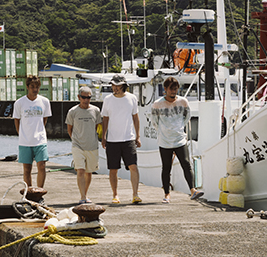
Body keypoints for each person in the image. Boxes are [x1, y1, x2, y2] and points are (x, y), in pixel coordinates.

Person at [151, 76, 203, 203]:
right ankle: (167, 194)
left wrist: (179, 128)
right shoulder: (157, 104)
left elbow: (187, 117)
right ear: (165, 89)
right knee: (166, 167)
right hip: (165, 141)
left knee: (186, 164)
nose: (174, 92)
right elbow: (154, 122)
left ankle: (192, 190)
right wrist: (165, 131)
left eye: (175, 89)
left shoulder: (183, 102)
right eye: (171, 89)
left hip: (180, 139)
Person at [100, 74, 141, 204]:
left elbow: (135, 117)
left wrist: (138, 136)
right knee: (113, 169)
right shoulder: (107, 99)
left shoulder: (132, 98)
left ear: (123, 85)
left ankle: (135, 194)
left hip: (128, 138)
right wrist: (104, 136)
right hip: (112, 139)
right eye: (113, 85)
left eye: (117, 85)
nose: (115, 88)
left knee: (133, 166)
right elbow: (105, 118)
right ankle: (115, 194)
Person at [12, 75, 52, 189]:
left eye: (37, 87)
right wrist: (21, 134)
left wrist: (40, 131)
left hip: (40, 140)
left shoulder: (44, 101)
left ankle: (39, 192)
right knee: (27, 169)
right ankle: (29, 193)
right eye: (32, 87)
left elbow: (44, 119)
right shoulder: (19, 103)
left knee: (42, 166)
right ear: (27, 87)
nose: (35, 89)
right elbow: (17, 120)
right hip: (25, 141)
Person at [65, 86, 102, 204]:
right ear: (79, 97)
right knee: (80, 170)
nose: (86, 100)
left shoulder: (95, 110)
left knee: (89, 172)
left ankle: (85, 194)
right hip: (77, 145)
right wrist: (74, 140)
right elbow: (69, 128)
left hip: (92, 145)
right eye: (84, 97)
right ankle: (82, 196)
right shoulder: (73, 111)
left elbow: (97, 127)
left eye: (89, 97)